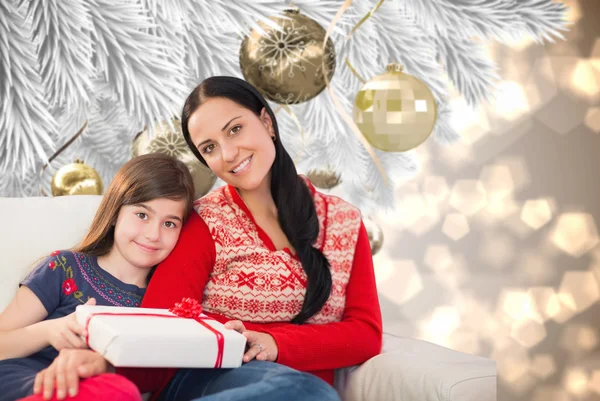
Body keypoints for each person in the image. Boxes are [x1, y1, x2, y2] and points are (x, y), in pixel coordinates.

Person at [33, 76, 383, 401]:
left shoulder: (343, 221)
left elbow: (366, 333)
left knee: (305, 391)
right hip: (209, 378)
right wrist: (107, 364)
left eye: (235, 129)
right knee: (306, 393)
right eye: (210, 147)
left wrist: (275, 341)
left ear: (266, 121)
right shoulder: (204, 222)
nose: (228, 154)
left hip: (294, 386)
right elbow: (161, 324)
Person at [0, 153, 195, 401]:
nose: (153, 234)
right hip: (25, 381)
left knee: (118, 391)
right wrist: (50, 331)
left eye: (169, 224)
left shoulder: (163, 302)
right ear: (115, 213)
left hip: (100, 391)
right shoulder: (65, 268)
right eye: (142, 215)